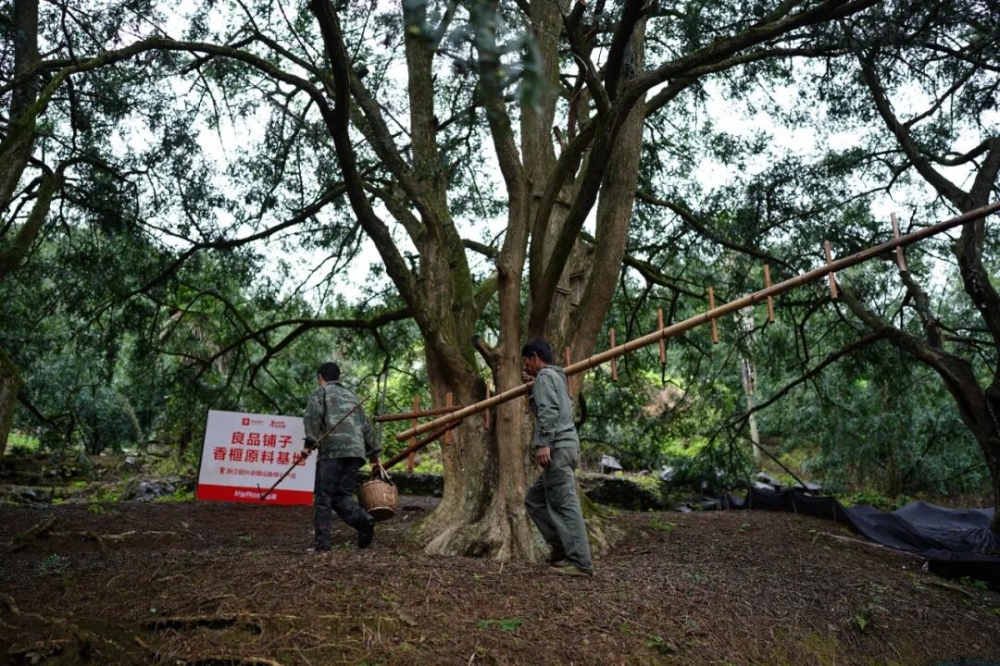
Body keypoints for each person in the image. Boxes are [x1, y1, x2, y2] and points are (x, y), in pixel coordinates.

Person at [521, 338, 594, 576]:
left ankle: (580, 562)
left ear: (534, 357)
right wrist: (534, 389)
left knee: (565, 504)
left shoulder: (544, 377)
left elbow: (549, 411)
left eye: (526, 361)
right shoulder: (557, 376)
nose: (526, 367)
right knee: (534, 500)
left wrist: (543, 444)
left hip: (557, 448)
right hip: (567, 447)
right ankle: (562, 549)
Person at [302, 362, 381, 551]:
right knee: (341, 495)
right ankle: (363, 520)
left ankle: (322, 546)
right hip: (356, 453)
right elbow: (366, 426)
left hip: (333, 452)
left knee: (323, 498)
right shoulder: (353, 397)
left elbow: (312, 417)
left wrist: (308, 445)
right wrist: (374, 453)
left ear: (320, 377)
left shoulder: (320, 393)